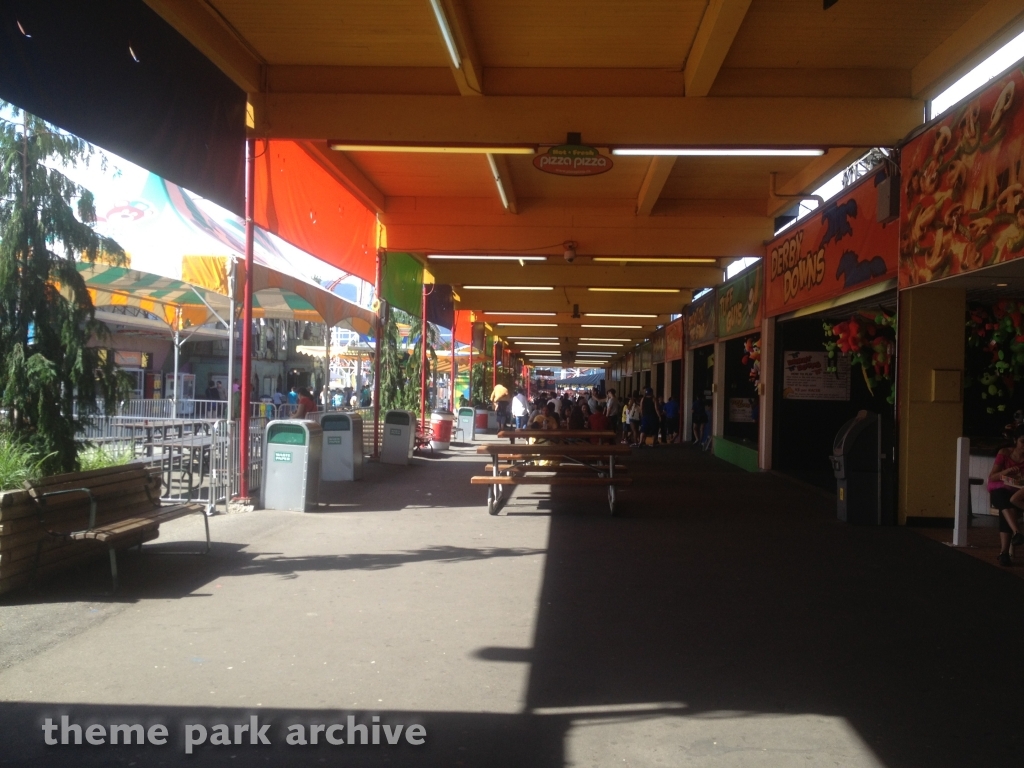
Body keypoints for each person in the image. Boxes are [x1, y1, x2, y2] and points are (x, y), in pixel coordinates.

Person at [990, 427, 1024, 566]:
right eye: (1023, 441)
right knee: (1002, 498)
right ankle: (1016, 533)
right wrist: (1008, 471)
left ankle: (1004, 552)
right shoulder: (1004, 453)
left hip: (1019, 495)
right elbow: (992, 477)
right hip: (1002, 490)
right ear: (1015, 440)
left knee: (1005, 507)